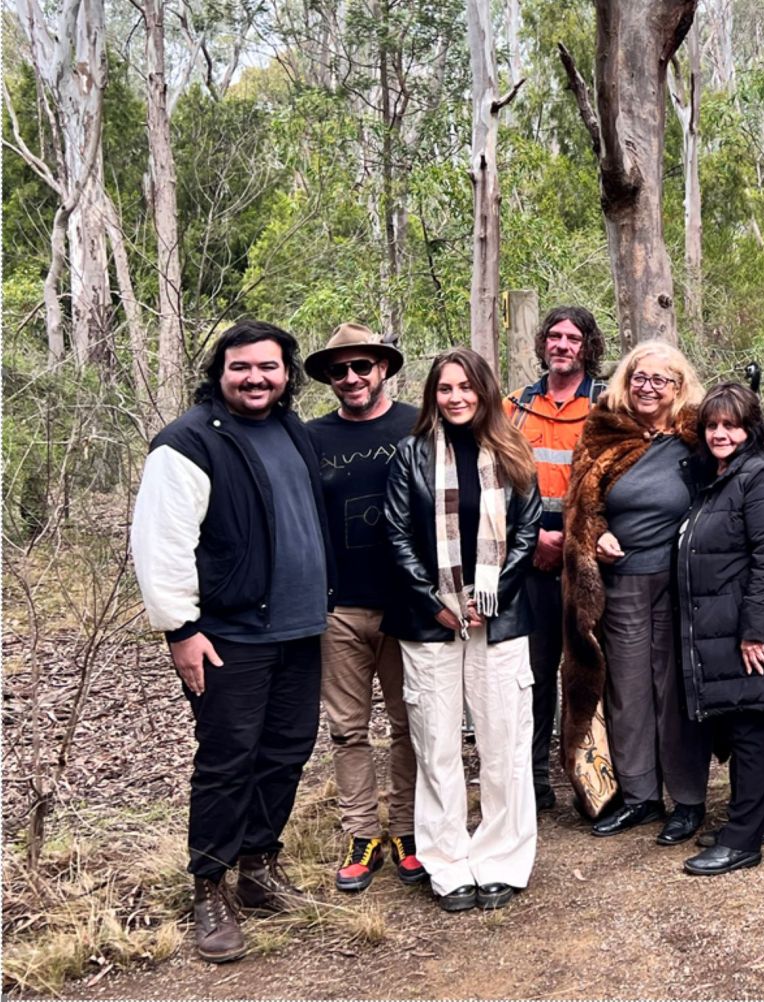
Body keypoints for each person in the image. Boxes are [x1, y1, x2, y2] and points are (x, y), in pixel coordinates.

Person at [132, 321, 334, 963]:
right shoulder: (187, 443)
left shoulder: (291, 430)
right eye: (242, 367)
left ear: (286, 374)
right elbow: (161, 546)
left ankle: (258, 866)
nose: (256, 378)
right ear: (220, 370)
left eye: (269, 368)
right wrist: (181, 630)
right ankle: (209, 888)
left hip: (300, 630)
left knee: (286, 752)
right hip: (229, 637)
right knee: (228, 760)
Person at [383, 348, 542, 912]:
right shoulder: (412, 454)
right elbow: (397, 534)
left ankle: (501, 857)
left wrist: (491, 597)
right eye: (445, 388)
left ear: (484, 391)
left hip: (499, 620)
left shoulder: (512, 449)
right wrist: (437, 602)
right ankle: (447, 862)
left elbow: (527, 529)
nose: (456, 397)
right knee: (437, 746)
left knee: (504, 744)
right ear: (433, 395)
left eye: (466, 387)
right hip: (431, 624)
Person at [563, 342, 710, 845]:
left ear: (678, 386)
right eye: (639, 378)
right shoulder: (603, 433)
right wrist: (596, 531)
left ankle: (688, 800)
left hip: (679, 584)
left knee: (675, 691)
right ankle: (641, 796)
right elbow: (580, 503)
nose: (647, 388)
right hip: (621, 583)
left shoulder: (698, 437)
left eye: (660, 380)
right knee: (626, 690)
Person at [304, 323, 425, 892]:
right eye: (339, 370)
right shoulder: (309, 439)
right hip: (338, 610)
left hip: (407, 606)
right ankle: (361, 834)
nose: (351, 378)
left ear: (383, 369)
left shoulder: (417, 427)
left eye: (362, 367)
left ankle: (405, 828)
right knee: (348, 730)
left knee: (409, 725)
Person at [676, 384, 764, 876]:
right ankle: (753, 822)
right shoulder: (723, 476)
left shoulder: (763, 478)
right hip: (725, 627)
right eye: (712, 425)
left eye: (730, 425)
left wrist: (754, 632)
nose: (719, 433)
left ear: (751, 428)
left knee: (753, 728)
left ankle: (743, 841)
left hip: (752, 632)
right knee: (740, 721)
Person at [504, 305, 605, 812]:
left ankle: (598, 785)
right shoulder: (514, 408)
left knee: (592, 671)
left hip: (591, 563)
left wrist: (570, 541)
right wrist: (534, 541)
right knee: (536, 674)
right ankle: (535, 783)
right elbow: (497, 485)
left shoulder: (608, 405)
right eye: (555, 336)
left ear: (588, 346)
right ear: (543, 343)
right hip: (533, 564)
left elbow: (619, 484)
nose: (562, 345)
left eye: (573, 338)